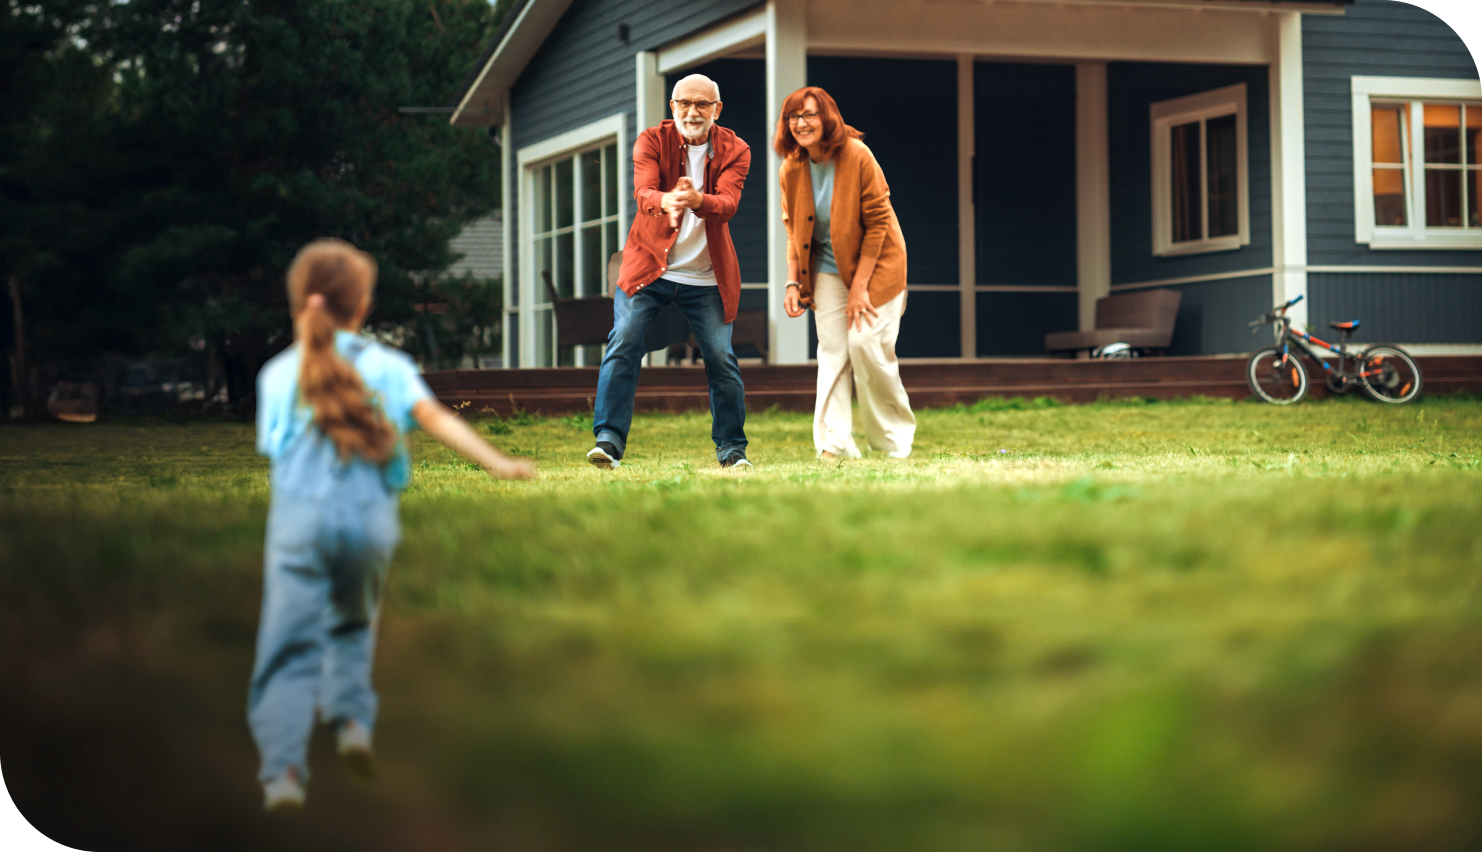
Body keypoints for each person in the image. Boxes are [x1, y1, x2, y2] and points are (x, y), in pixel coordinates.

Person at [249, 238, 534, 812]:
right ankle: (352, 727)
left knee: (288, 645)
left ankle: (282, 771)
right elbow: (434, 421)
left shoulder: (278, 375)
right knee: (354, 626)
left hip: (300, 528)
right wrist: (498, 463)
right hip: (368, 531)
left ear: (299, 301)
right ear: (362, 306)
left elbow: (274, 449)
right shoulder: (391, 368)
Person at [589, 74, 752, 470]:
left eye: (701, 104)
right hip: (649, 268)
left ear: (717, 110)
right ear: (672, 106)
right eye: (684, 103)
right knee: (624, 341)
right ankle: (608, 440)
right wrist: (669, 200)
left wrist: (698, 200)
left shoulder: (736, 149)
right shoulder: (650, 140)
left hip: (706, 277)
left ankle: (732, 450)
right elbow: (643, 193)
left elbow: (728, 203)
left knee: (720, 357)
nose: (692, 112)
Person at [776, 87, 915, 460]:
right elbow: (794, 230)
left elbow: (878, 221)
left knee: (867, 345)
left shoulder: (857, 155)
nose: (801, 123)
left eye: (809, 115)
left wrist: (860, 288)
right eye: (794, 117)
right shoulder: (791, 168)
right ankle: (835, 442)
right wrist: (793, 280)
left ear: (828, 117)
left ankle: (892, 441)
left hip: (880, 266)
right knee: (834, 351)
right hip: (826, 271)